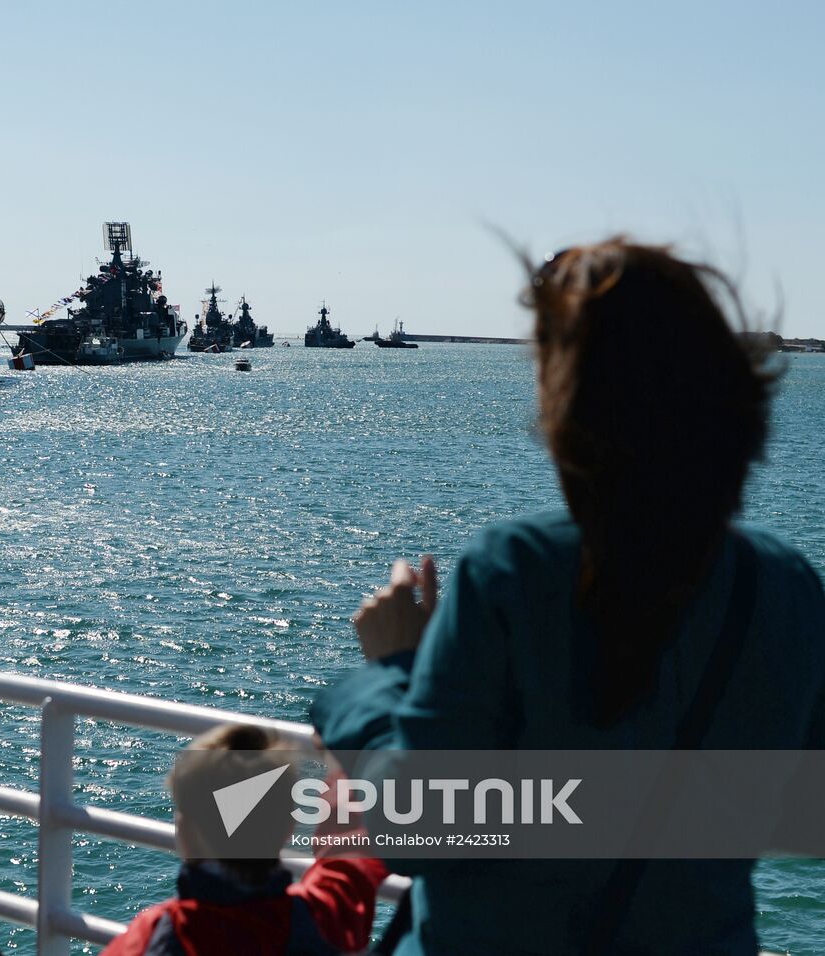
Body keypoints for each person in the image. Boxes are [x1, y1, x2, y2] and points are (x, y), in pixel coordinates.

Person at [309, 239, 825, 954]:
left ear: (574, 403)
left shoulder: (517, 569)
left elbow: (411, 828)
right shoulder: (786, 585)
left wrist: (388, 670)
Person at [103, 723, 386, 955]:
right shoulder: (323, 916)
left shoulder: (152, 937)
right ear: (289, 827)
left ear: (185, 835)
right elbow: (348, 850)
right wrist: (344, 762)